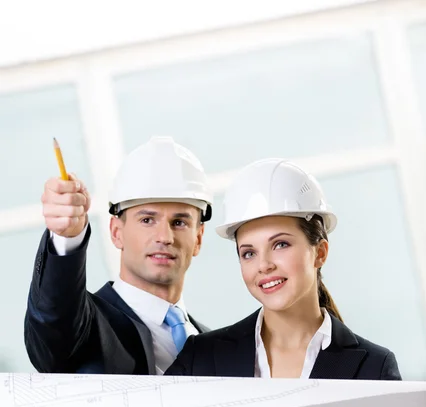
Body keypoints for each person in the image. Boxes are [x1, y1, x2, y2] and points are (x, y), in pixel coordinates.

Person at [166, 158, 401, 380]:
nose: (264, 265)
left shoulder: (375, 367)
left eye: (280, 244)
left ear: (319, 253)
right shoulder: (201, 357)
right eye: (249, 253)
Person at [25, 136, 212, 375]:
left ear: (198, 238)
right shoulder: (85, 329)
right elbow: (52, 322)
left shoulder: (213, 344)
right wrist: (67, 237)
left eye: (179, 222)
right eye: (147, 220)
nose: (165, 236)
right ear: (116, 232)